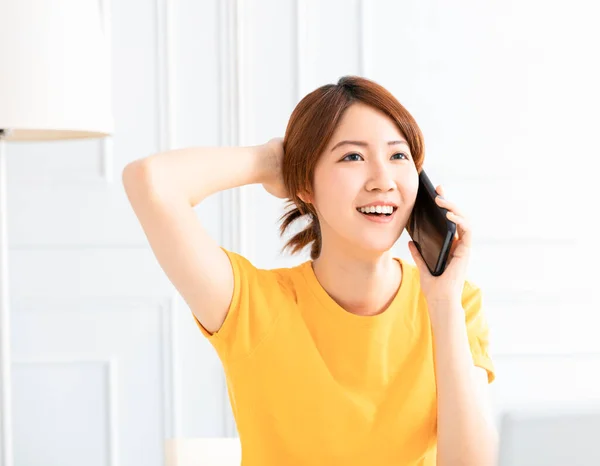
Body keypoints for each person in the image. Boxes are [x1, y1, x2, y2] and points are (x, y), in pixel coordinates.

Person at [123, 75, 497, 466]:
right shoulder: (251, 305)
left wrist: (442, 303)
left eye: (398, 156)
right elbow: (150, 181)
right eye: (352, 156)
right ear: (305, 185)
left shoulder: (456, 302)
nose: (383, 181)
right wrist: (270, 161)